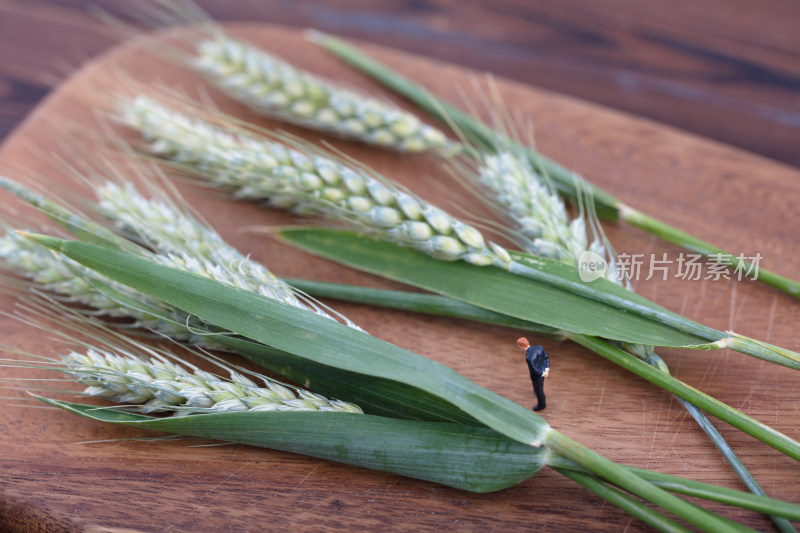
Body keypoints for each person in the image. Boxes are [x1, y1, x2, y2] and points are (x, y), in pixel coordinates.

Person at [518, 337, 549, 411]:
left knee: (539, 392)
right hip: (543, 372)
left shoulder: (529, 357)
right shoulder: (539, 347)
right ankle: (535, 390)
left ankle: (542, 405)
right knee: (537, 388)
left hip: (537, 376)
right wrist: (546, 370)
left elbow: (534, 369)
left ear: (521, 346)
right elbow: (546, 358)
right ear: (528, 342)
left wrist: (543, 373)